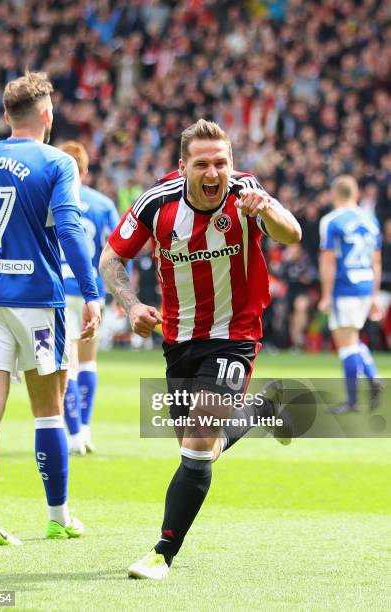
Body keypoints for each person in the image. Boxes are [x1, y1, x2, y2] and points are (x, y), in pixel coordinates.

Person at [100, 119, 301, 579]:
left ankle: (160, 554)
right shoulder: (156, 204)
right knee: (201, 453)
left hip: (235, 335)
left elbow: (292, 234)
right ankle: (264, 409)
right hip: (179, 339)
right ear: (183, 167)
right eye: (203, 165)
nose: (214, 174)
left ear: (232, 163)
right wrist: (131, 306)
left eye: (222, 163)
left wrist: (266, 208)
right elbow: (111, 258)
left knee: (195, 446)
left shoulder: (247, 193)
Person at [0, 71, 101, 546]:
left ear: (4, 115)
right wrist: (91, 290)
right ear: (47, 115)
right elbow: (71, 232)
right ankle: (57, 517)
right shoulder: (58, 163)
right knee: (48, 413)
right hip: (38, 299)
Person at [58, 140, 119, 455]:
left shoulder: (48, 201)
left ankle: (75, 434)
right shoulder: (102, 204)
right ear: (84, 170)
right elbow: (120, 249)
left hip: (57, 292)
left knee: (66, 363)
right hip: (92, 291)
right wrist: (124, 290)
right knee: (88, 361)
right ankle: (85, 429)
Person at [318, 175, 382, 413]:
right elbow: (377, 261)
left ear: (335, 195)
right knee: (352, 340)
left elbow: (328, 261)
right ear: (355, 194)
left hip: (344, 287)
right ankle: (373, 378)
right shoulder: (371, 219)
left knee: (345, 344)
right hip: (366, 284)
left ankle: (352, 400)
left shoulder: (332, 221)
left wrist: (325, 295)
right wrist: (374, 295)